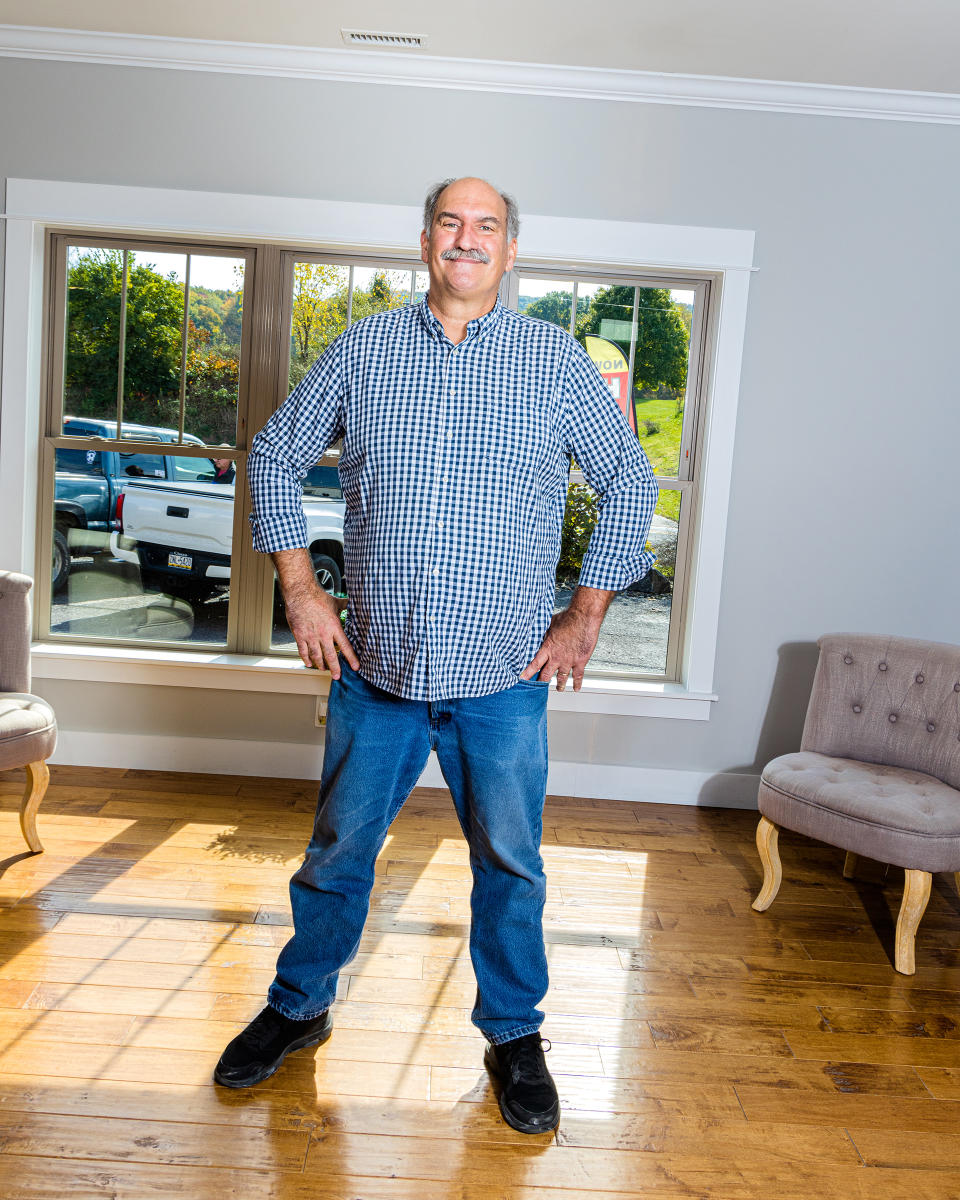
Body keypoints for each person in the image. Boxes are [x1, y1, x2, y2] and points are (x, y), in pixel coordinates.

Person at [213, 177, 658, 1133]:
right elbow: (274, 456)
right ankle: (299, 1007)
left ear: (509, 250)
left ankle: (513, 1035)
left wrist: (584, 615)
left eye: (485, 226)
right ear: (425, 243)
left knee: (511, 863)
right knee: (337, 853)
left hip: (503, 678)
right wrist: (300, 588)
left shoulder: (552, 361)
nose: (467, 239)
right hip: (378, 671)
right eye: (450, 223)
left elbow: (629, 480)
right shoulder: (365, 348)